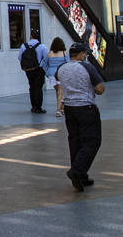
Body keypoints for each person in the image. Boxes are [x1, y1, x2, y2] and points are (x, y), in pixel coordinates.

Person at [54, 42, 105, 191]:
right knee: (92, 141)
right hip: (86, 108)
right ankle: (77, 171)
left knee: (75, 141)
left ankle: (81, 176)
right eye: (85, 54)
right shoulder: (87, 67)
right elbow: (100, 89)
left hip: (69, 109)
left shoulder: (61, 68)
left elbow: (58, 80)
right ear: (82, 54)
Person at [18, 32, 48, 113]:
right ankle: (38, 107)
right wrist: (41, 66)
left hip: (28, 70)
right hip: (39, 69)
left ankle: (33, 107)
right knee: (38, 88)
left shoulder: (24, 46)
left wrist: (26, 66)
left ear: (31, 36)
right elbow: (46, 58)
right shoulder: (42, 46)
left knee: (31, 87)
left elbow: (19, 57)